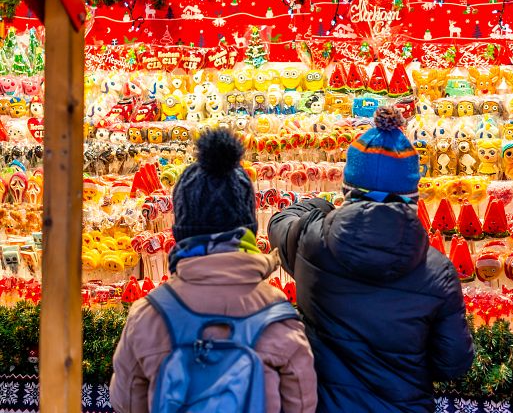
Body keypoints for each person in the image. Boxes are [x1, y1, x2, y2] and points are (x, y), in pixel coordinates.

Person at [268, 106, 474, 412]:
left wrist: (320, 206)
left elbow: (279, 223)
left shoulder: (312, 242)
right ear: (412, 193)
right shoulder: (437, 270)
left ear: (349, 187)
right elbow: (452, 362)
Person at [110, 129, 317, 413]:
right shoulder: (277, 314)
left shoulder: (149, 314)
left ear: (181, 228)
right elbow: (302, 403)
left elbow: (127, 403)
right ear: (249, 229)